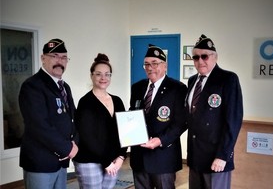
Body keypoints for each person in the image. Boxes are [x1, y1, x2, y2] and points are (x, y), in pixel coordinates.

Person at [18, 38, 78, 189]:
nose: (60, 61)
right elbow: (39, 125)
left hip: (61, 160)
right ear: (43, 58)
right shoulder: (32, 86)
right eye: (54, 56)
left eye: (64, 57)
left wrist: (75, 143)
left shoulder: (65, 87)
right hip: (40, 161)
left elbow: (73, 119)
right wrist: (68, 148)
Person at [185, 34, 243, 189]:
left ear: (215, 57)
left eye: (204, 56)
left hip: (215, 157)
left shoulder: (227, 79)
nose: (200, 61)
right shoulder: (192, 81)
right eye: (196, 58)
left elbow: (233, 121)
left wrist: (223, 155)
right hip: (195, 156)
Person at [129, 44, 187, 189]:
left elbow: (181, 122)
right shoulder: (137, 87)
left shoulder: (177, 88)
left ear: (165, 66)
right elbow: (132, 115)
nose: (150, 68)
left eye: (155, 63)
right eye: (146, 64)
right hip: (139, 157)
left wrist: (161, 140)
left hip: (163, 158)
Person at [73, 53, 127, 189]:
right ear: (92, 76)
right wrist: (107, 162)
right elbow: (87, 137)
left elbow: (125, 130)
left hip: (113, 160)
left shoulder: (118, 101)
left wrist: (121, 156)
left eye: (107, 74)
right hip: (89, 160)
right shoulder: (85, 102)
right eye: (98, 74)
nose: (103, 78)